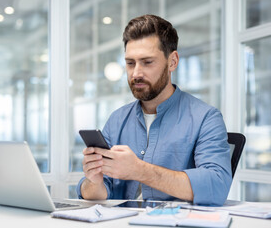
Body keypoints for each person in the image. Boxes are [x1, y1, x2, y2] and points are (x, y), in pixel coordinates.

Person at [76, 14, 232, 206]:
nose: (136, 73)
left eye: (147, 62)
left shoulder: (206, 118)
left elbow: (216, 186)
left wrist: (139, 170)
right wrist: (93, 181)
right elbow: (97, 193)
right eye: (130, 63)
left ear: (172, 61)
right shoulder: (117, 120)